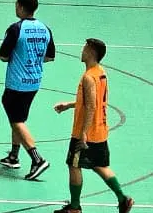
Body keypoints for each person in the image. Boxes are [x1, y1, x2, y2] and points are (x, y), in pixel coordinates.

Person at [53, 38, 134, 213]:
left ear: (91, 52)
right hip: (100, 130)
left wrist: (83, 133)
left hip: (86, 132)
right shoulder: (100, 73)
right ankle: (123, 198)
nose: (82, 50)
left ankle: (74, 207)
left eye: (84, 48)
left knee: (73, 165)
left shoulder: (88, 77)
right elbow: (92, 100)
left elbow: (91, 106)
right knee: (100, 166)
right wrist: (69, 105)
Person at [0, 0, 55, 181]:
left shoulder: (16, 29)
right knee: (19, 117)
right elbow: (49, 57)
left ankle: (37, 159)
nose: (15, 7)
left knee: (16, 120)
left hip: (16, 82)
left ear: (21, 8)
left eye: (16, 5)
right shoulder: (45, 29)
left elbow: (3, 56)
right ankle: (14, 156)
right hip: (34, 81)